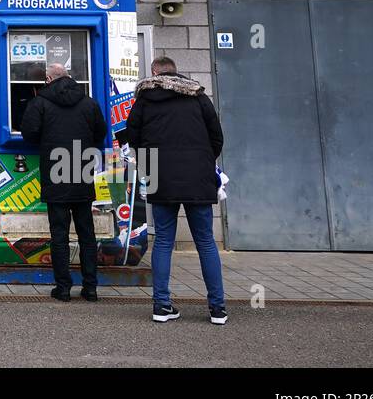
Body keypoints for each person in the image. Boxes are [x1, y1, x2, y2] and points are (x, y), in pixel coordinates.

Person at [125, 56, 227, 325]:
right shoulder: (198, 96)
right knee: (205, 242)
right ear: (176, 71)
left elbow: (132, 138)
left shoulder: (145, 100)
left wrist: (149, 168)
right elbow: (217, 137)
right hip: (197, 176)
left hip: (160, 175)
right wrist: (203, 161)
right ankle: (217, 308)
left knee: (163, 242)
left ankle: (161, 305)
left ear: (153, 72)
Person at [20, 62, 107, 302]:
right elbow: (101, 134)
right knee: (86, 233)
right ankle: (90, 287)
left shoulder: (40, 103)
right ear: (69, 77)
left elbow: (29, 134)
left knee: (59, 234)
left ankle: (63, 288)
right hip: (81, 171)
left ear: (49, 79)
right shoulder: (89, 103)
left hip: (55, 173)